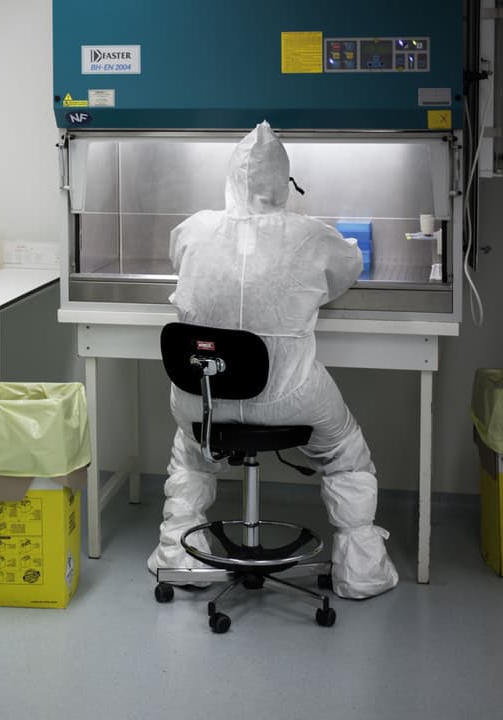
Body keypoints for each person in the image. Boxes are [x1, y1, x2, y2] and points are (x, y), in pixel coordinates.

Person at [147, 121, 399, 600]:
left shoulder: (195, 228)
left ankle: (177, 559)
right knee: (345, 453)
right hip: (288, 397)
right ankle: (361, 570)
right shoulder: (309, 235)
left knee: (192, 451)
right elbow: (348, 267)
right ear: (284, 183)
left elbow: (181, 259)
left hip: (204, 398)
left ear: (230, 179)